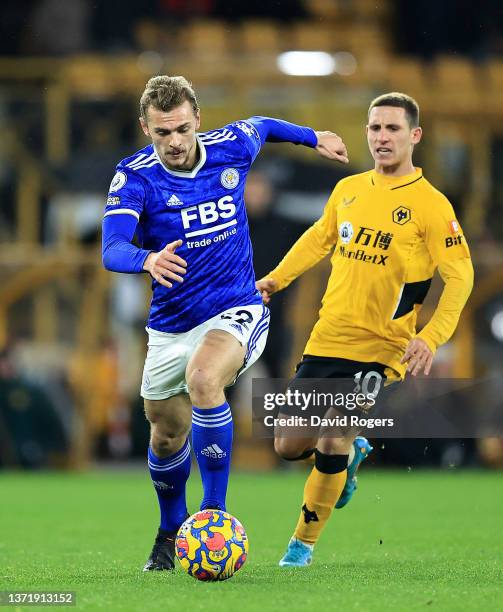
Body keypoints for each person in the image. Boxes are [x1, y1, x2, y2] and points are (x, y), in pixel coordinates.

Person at [101, 75, 349, 571]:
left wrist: (313, 137)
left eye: (181, 129)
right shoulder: (134, 178)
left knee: (203, 378)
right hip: (171, 324)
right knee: (165, 434)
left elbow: (264, 124)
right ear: (145, 129)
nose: (173, 142)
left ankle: (214, 516)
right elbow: (112, 248)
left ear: (198, 121)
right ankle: (172, 528)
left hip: (237, 306)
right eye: (161, 133)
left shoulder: (230, 147)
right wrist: (147, 260)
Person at [256, 92, 474, 567]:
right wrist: (276, 278)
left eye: (392, 129)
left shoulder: (431, 206)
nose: (381, 137)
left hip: (383, 348)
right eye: (374, 128)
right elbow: (319, 238)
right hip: (329, 338)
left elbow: (461, 276)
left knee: (332, 431)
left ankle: (301, 546)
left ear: (414, 136)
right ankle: (351, 454)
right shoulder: (348, 189)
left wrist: (431, 335)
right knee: (289, 443)